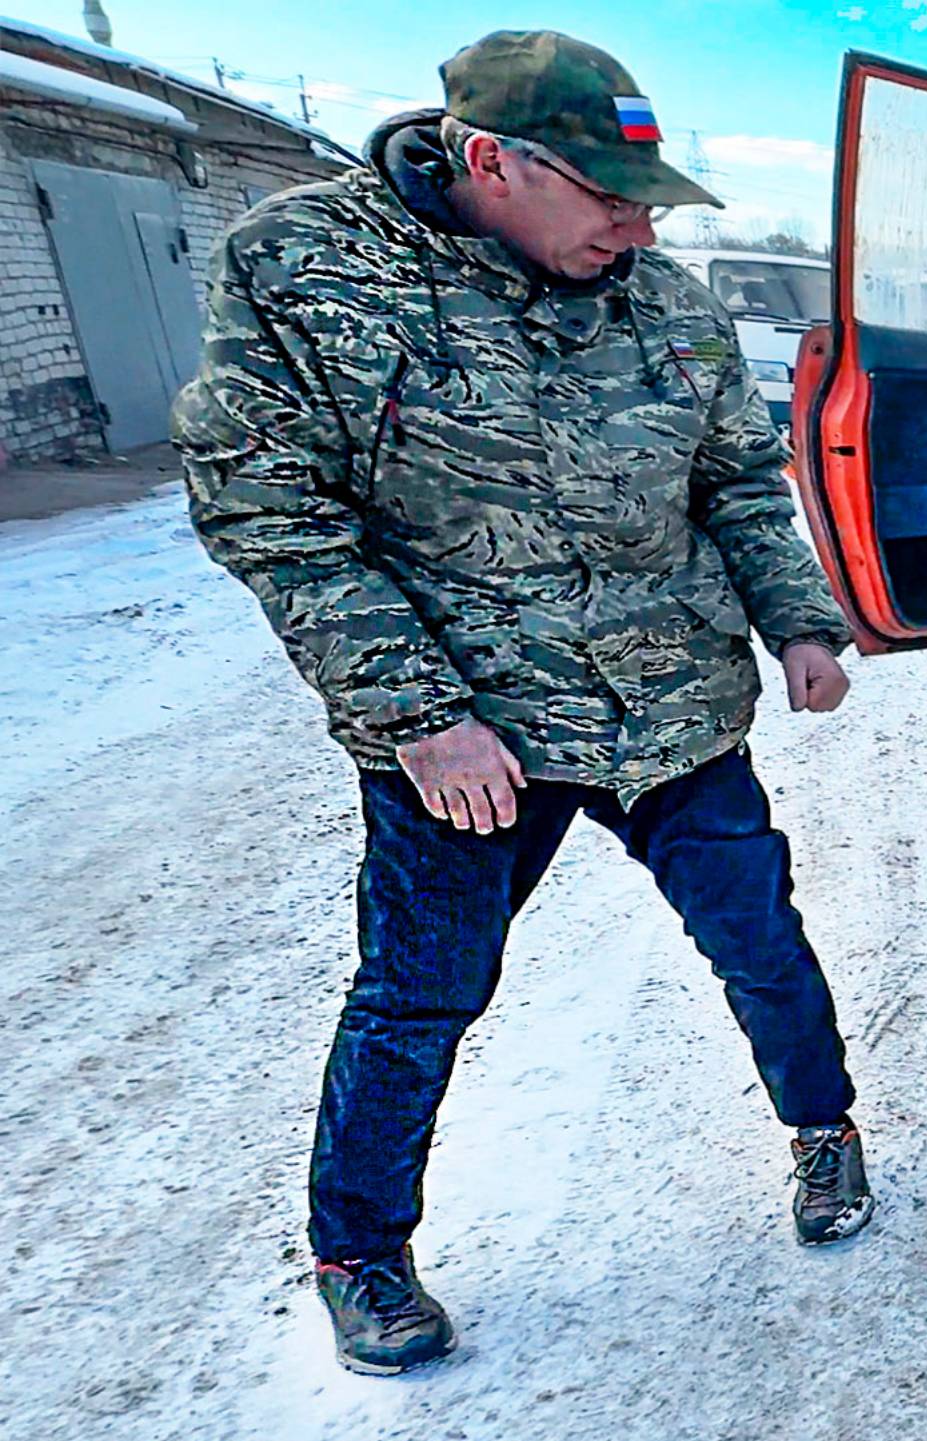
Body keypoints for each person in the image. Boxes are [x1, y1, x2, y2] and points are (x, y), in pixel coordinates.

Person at [173, 30, 874, 1377]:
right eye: (608, 195)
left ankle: (823, 1127)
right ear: (491, 160)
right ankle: (359, 1249)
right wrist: (421, 713)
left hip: (670, 707)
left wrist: (796, 621)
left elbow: (734, 477)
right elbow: (273, 511)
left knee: (761, 941)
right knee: (420, 991)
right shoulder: (309, 269)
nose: (635, 222)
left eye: (646, 197)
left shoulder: (665, 302)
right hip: (470, 735)